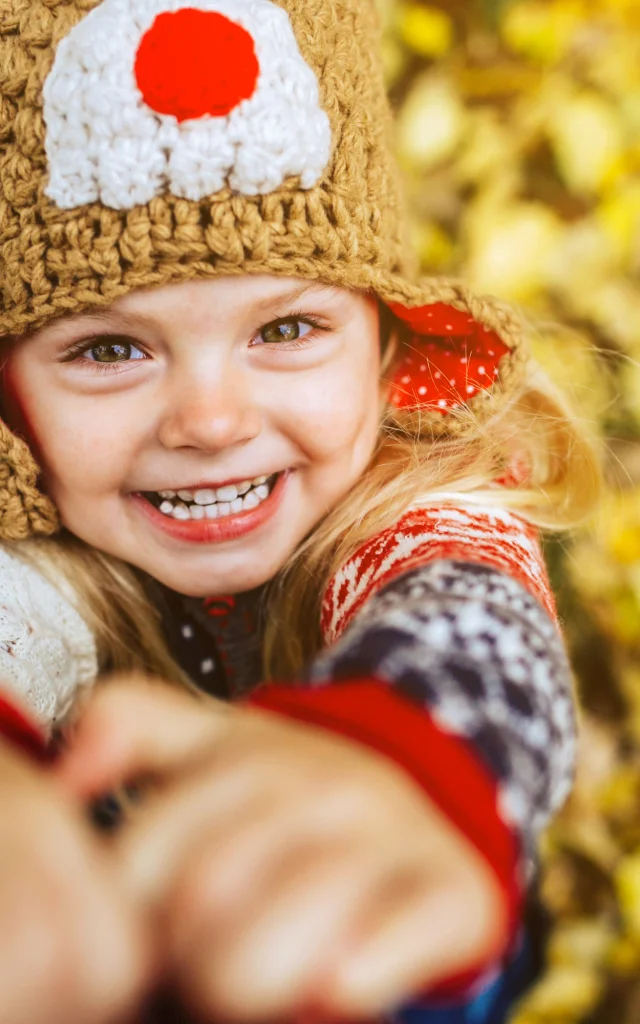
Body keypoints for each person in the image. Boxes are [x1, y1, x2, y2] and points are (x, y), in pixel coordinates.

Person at [0, 0, 600, 1021]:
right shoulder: (39, 555)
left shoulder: (419, 496)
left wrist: (401, 754)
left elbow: (475, 623)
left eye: (285, 329)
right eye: (109, 349)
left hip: (374, 924)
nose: (212, 421)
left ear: (385, 346)